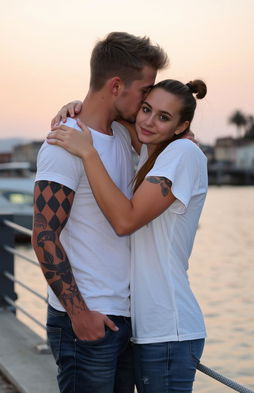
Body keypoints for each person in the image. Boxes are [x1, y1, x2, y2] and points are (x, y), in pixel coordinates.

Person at [47, 78, 208, 393]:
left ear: (181, 126)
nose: (148, 121)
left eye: (163, 116)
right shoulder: (155, 151)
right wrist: (77, 107)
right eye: (147, 109)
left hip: (168, 330)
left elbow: (125, 220)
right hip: (147, 330)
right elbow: (116, 115)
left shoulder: (183, 153)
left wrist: (88, 154)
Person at [32, 31, 168, 393]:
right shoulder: (64, 144)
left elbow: (176, 129)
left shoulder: (125, 136)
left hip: (125, 317)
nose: (148, 100)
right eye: (145, 91)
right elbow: (44, 235)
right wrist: (79, 314)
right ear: (117, 86)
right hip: (87, 320)